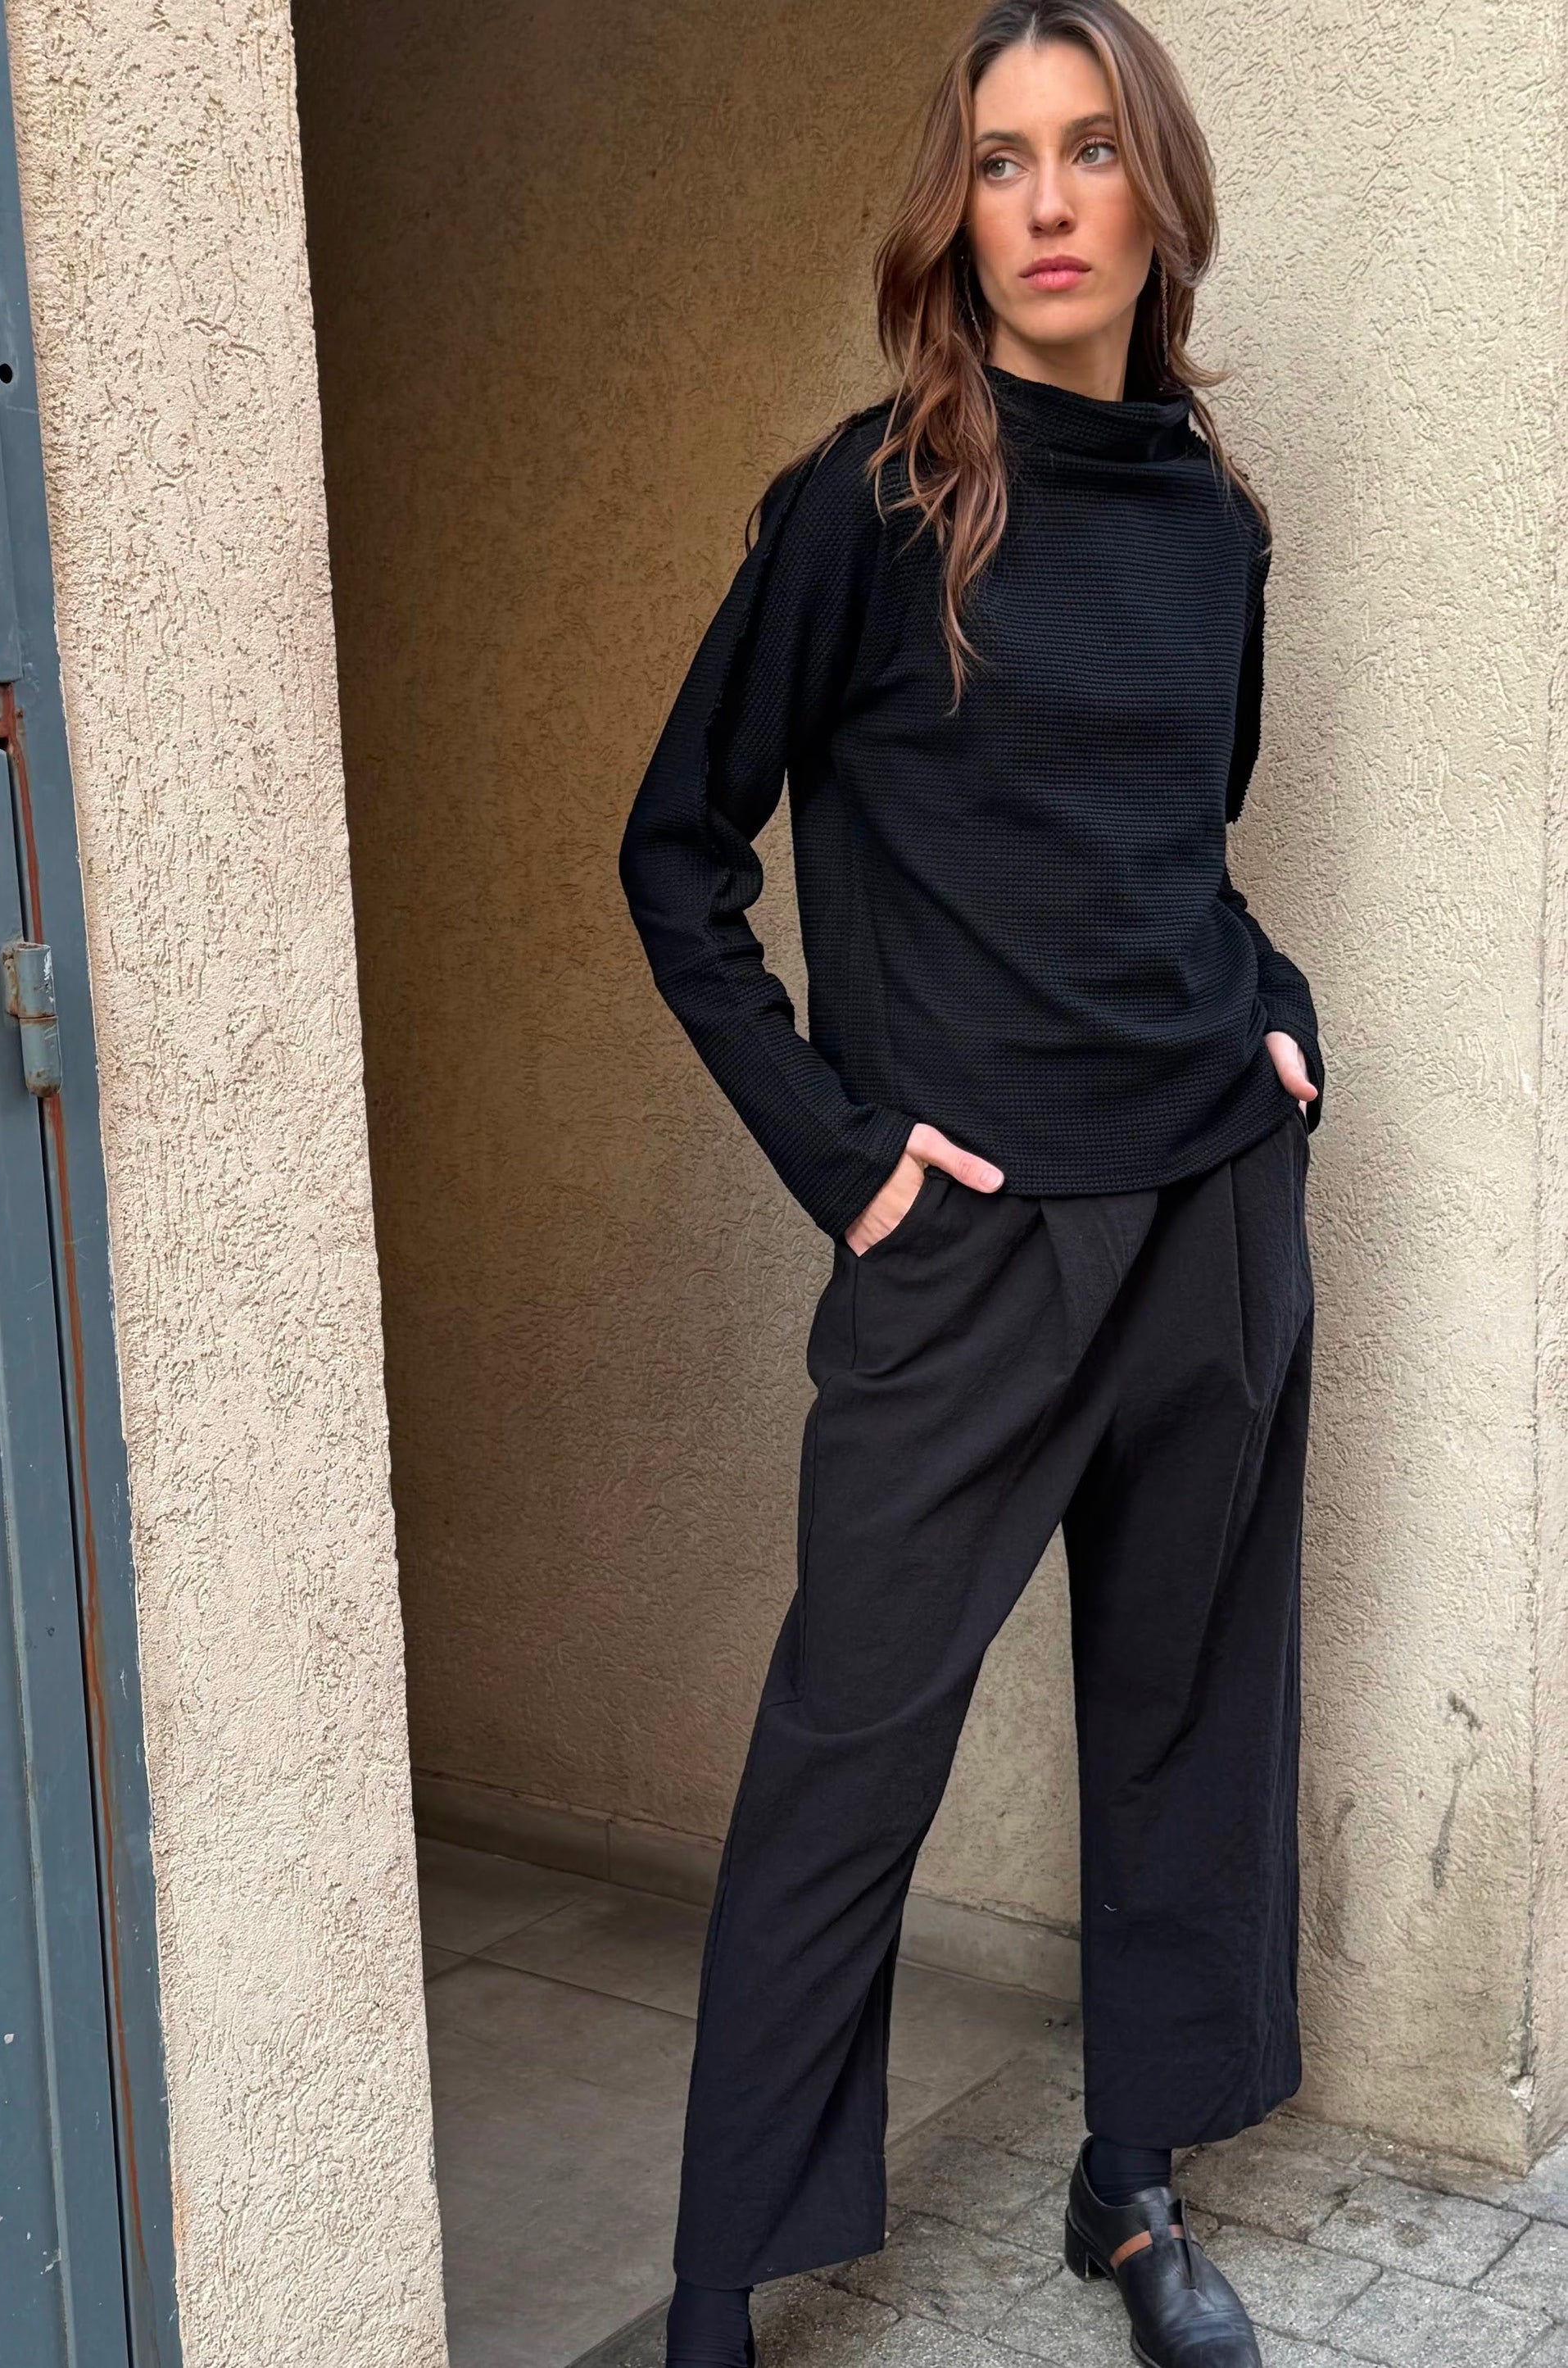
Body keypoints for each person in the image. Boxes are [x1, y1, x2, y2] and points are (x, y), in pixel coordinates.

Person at [617, 4, 1323, 2361]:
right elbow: (677, 853)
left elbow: (1169, 846)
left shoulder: (1212, 523)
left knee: (1186, 1721)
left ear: (1155, 195)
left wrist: (1273, 1005)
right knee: (848, 1756)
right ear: (957, 209)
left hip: (1210, 1211)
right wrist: (846, 1159)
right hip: (972, 1250)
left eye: (1088, 149)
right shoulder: (872, 508)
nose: (1043, 201)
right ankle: (715, 2290)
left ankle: (1130, 2186)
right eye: (1000, 158)